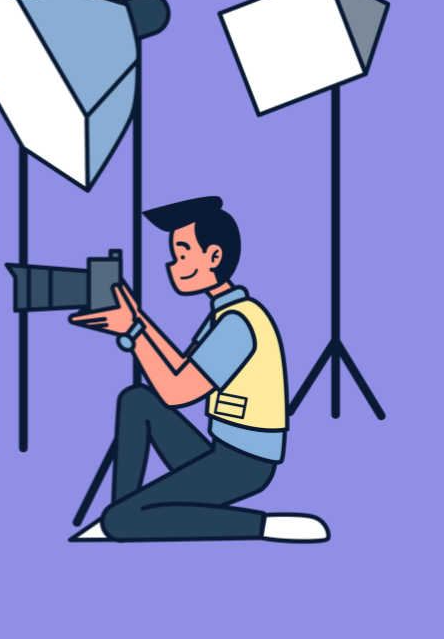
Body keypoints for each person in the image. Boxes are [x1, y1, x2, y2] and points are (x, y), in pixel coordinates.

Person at [68, 196, 328, 542]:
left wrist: (134, 332)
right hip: (219, 448)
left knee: (121, 520)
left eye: (182, 253)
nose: (173, 264)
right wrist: (138, 322)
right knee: (137, 400)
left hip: (245, 464)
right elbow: (180, 366)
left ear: (214, 257)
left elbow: (178, 393)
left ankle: (264, 525)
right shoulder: (223, 313)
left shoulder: (238, 324)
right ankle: (128, 514)